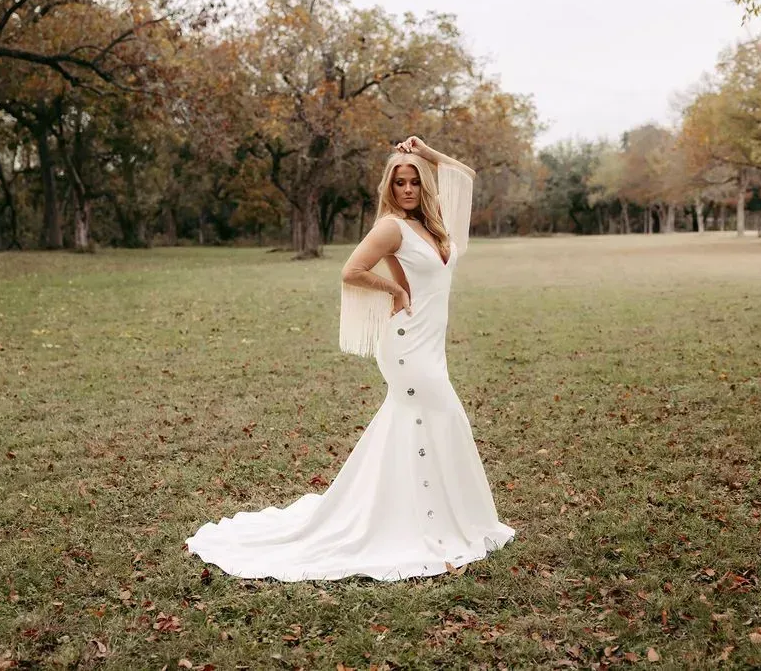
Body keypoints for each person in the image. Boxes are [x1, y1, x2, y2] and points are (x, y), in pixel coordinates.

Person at [185, 137, 515, 581]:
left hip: (431, 346)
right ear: (390, 188)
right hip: (406, 345)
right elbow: (351, 270)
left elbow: (467, 178)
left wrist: (427, 152)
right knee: (442, 417)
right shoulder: (391, 226)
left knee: (426, 423)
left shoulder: (437, 228)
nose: (408, 189)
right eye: (399, 182)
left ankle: (419, 515)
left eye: (414, 181)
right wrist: (395, 290)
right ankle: (425, 525)